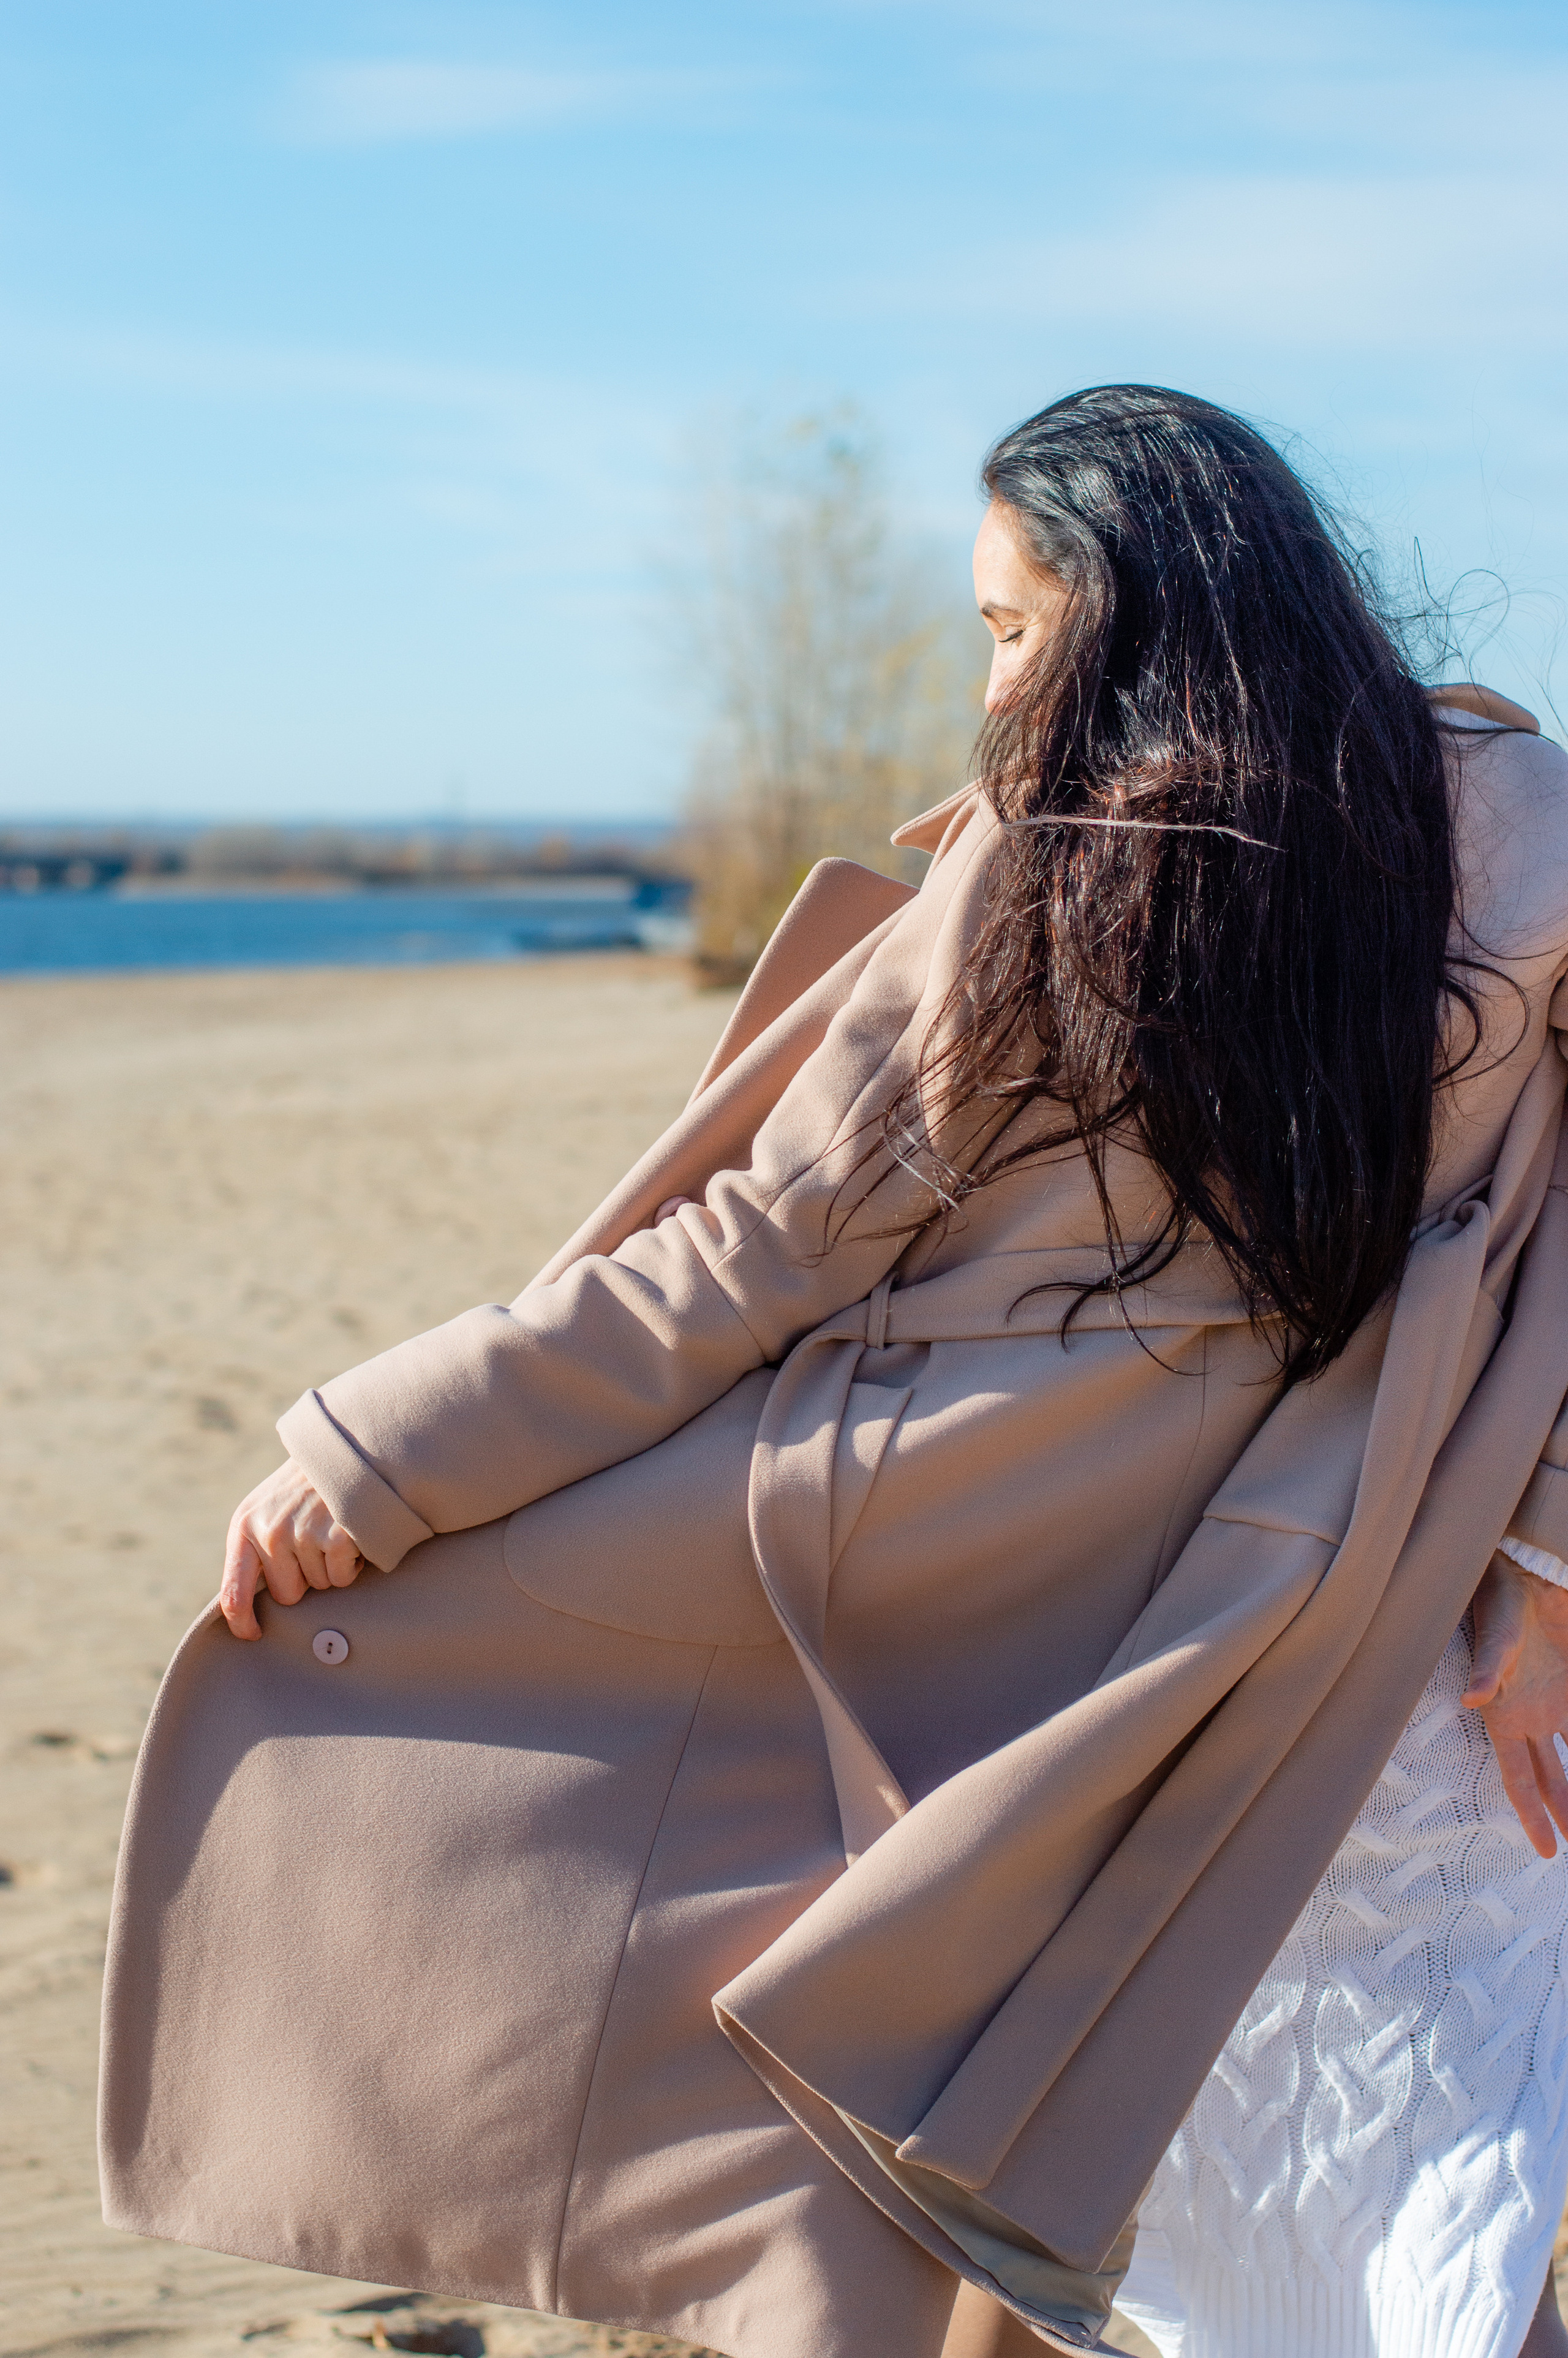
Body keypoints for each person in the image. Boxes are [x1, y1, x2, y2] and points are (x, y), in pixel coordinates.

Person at [104, 388, 1568, 2358]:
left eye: (1012, 625)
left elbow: (747, 1263)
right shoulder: (1518, 828)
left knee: (952, 2094)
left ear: (1131, 611)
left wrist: (380, 1453)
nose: (998, 680)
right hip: (1361, 1610)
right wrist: (1542, 1583)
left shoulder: (1050, 874)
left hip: (1010, 1577)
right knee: (1161, 2149)